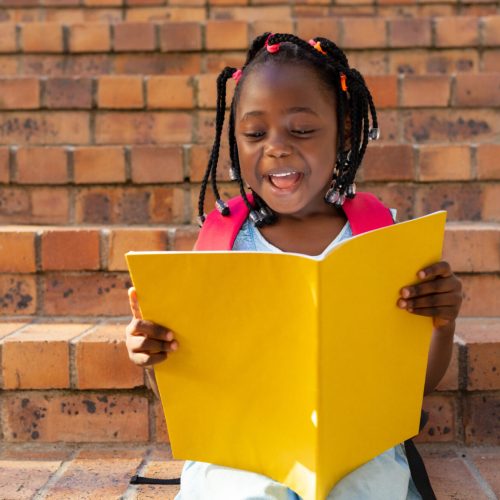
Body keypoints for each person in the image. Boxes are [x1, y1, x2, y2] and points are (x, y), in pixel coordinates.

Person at [125, 33, 463, 500]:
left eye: (301, 130)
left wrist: (441, 326)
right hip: (242, 447)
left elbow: (414, 386)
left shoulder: (379, 239)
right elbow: (193, 398)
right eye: (255, 133)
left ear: (344, 132)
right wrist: (154, 357)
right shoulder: (222, 244)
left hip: (355, 444)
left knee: (367, 488)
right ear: (235, 140)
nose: (277, 147)